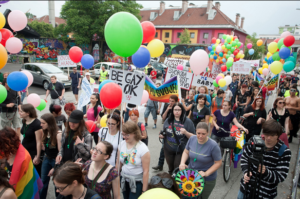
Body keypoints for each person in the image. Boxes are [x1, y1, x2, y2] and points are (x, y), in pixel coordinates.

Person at [237, 120, 291, 199]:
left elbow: (281, 176)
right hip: (245, 189)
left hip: (266, 194)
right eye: (267, 134)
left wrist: (266, 172)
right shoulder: (254, 141)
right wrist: (246, 172)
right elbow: (245, 158)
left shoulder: (284, 151)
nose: (268, 137)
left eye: (272, 135)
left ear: (278, 135)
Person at [179, 122, 222, 199]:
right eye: (198, 133)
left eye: (203, 134)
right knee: (187, 196)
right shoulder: (192, 139)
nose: (200, 136)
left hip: (206, 179)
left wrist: (206, 173)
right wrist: (182, 163)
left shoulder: (213, 145)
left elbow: (218, 163)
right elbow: (186, 151)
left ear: (208, 133)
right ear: (195, 131)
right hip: (191, 175)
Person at [0, 127, 42, 198]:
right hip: (8, 184)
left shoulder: (23, 157)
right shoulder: (6, 150)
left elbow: (21, 182)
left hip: (22, 188)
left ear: (6, 143)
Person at [116, 121, 150, 199]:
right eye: (123, 134)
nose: (124, 137)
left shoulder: (143, 148)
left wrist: (144, 191)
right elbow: (118, 163)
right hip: (124, 179)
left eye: (127, 134)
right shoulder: (121, 144)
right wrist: (116, 179)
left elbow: (146, 171)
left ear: (134, 133)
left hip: (137, 182)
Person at [160, 103, 195, 175]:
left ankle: (177, 184)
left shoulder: (187, 121)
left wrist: (186, 132)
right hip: (168, 149)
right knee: (170, 168)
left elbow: (194, 137)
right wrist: (161, 135)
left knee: (177, 169)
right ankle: (170, 184)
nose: (177, 111)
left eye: (179, 110)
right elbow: (164, 131)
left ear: (182, 111)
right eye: (175, 110)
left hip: (180, 150)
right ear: (172, 111)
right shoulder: (168, 120)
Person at [39, 113, 62, 199]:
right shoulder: (45, 132)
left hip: (55, 160)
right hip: (46, 158)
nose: (41, 125)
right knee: (43, 182)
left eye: (43, 123)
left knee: (57, 183)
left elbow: (60, 153)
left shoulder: (58, 134)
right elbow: (46, 148)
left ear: (50, 123)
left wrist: (55, 167)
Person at [19, 104, 43, 176]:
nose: (19, 112)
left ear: (28, 113)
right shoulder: (24, 121)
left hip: (33, 152)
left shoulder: (37, 124)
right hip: (25, 151)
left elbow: (39, 142)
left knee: (35, 174)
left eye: (21, 111)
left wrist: (37, 156)